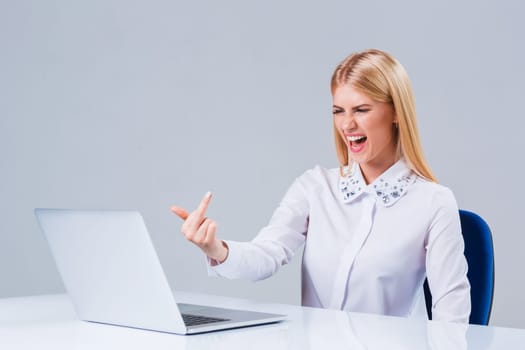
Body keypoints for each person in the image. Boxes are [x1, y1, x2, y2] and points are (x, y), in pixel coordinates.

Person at [171, 49, 471, 323]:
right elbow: (267, 254)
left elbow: (451, 316)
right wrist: (216, 249)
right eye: (339, 111)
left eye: (361, 110)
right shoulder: (315, 187)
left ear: (395, 113)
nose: (347, 125)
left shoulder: (433, 203)